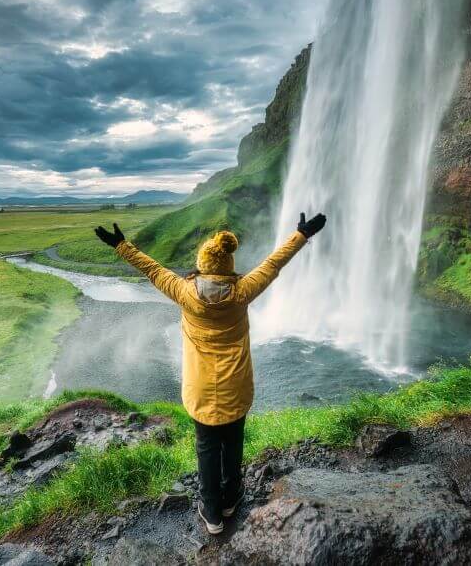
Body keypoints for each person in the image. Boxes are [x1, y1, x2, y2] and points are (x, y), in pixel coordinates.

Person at [94, 212, 327, 534]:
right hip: (236, 384)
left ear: (203, 264)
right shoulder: (243, 290)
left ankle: (212, 512)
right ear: (228, 264)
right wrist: (300, 235)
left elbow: (152, 269)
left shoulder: (183, 291)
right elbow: (274, 264)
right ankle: (232, 496)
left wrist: (121, 245)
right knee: (233, 442)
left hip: (201, 388)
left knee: (206, 447)